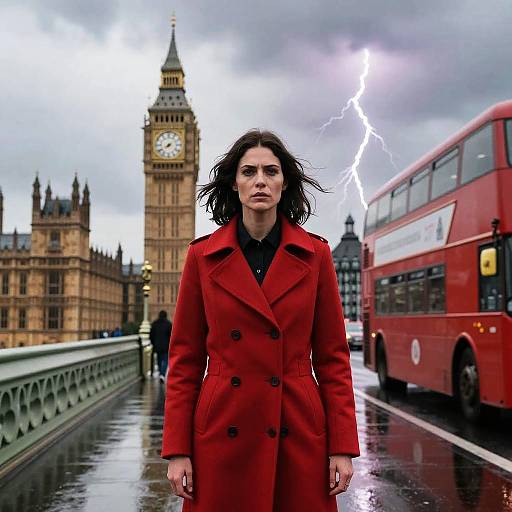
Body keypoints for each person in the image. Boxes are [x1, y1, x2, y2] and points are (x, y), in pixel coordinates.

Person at [161, 129, 359, 512]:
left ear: (285, 183)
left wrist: (343, 447)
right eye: (249, 172)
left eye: (271, 171)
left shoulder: (316, 255)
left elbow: (334, 359)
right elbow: (184, 361)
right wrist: (177, 450)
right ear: (234, 184)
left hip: (297, 428)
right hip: (222, 429)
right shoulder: (202, 258)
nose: (260, 181)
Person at [150, 310, 172, 382]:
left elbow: (151, 335)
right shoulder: (169, 324)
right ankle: (162, 374)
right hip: (166, 346)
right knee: (165, 360)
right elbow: (171, 336)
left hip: (157, 345)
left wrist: (153, 343)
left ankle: (160, 372)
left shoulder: (154, 324)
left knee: (159, 360)